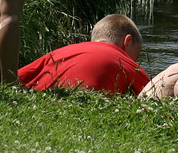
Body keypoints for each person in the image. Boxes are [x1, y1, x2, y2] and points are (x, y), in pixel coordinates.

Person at [18, 14, 151, 95]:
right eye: (134, 57)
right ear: (127, 42)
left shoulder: (60, 52)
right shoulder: (126, 63)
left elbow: (15, 77)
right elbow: (152, 97)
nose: (133, 61)